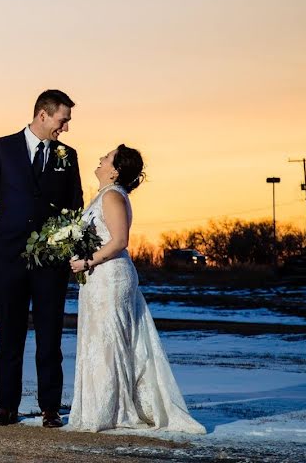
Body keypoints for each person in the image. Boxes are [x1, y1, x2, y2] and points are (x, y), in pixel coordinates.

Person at [67, 145, 205, 434]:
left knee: (109, 342)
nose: (101, 158)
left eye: (107, 157)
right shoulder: (103, 195)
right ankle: (98, 407)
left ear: (115, 170)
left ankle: (111, 411)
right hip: (96, 278)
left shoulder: (114, 196)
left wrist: (85, 261)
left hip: (110, 277)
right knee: (98, 341)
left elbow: (119, 241)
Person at [0, 89, 84, 427]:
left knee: (50, 335)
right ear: (43, 115)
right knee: (9, 334)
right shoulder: (2, 147)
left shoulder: (67, 155)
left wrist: (67, 244)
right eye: (62, 121)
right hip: (6, 258)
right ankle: (6, 407)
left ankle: (50, 407)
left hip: (50, 262)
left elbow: (75, 205)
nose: (64, 128)